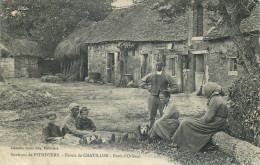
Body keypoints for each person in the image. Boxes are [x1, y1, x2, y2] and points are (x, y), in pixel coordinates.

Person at [171, 82, 228, 152]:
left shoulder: (215, 99)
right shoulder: (217, 98)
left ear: (210, 90)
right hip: (218, 122)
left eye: (206, 91)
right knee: (189, 121)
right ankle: (180, 142)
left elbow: (208, 118)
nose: (205, 93)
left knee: (186, 123)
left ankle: (178, 143)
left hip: (215, 123)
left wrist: (199, 120)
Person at [139, 60, 179, 128]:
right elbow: (141, 82)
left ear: (162, 66)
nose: (158, 67)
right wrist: (147, 87)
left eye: (159, 65)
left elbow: (175, 86)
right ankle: (151, 131)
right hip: (153, 97)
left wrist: (168, 92)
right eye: (157, 65)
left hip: (163, 99)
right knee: (151, 116)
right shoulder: (152, 75)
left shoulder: (166, 76)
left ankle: (162, 130)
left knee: (163, 116)